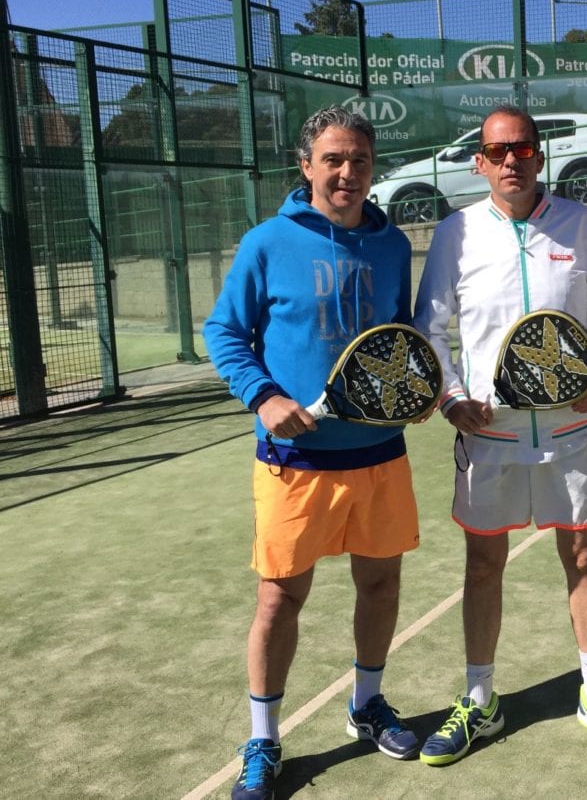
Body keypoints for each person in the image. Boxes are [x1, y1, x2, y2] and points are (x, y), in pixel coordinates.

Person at [413, 105, 587, 765]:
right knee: (483, 566)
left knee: (583, 558)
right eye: (498, 150)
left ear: (539, 156)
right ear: (479, 162)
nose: (511, 159)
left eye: (523, 148)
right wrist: (452, 396)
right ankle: (481, 700)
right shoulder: (456, 233)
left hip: (572, 431)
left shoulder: (580, 222)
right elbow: (430, 326)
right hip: (489, 437)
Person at [204, 106, 423, 800]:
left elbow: (400, 341)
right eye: (333, 159)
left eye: (359, 159)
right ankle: (264, 741)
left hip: (379, 455)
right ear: (306, 166)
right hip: (293, 464)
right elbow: (224, 331)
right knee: (279, 602)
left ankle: (366, 705)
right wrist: (263, 396)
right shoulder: (267, 242)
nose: (347, 172)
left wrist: (411, 396)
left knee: (380, 586)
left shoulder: (392, 248)